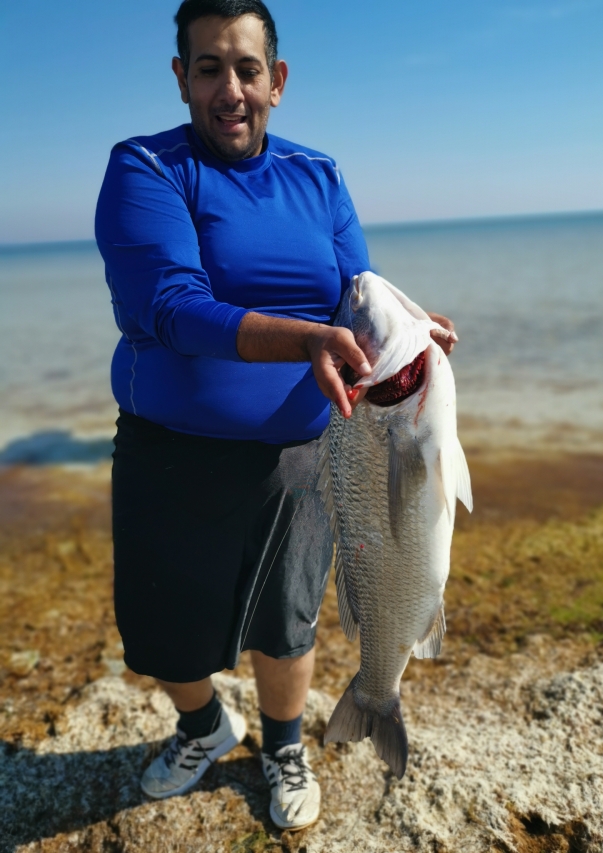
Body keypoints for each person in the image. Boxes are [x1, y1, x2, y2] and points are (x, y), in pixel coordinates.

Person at [95, 0, 456, 832]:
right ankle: (202, 726)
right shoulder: (146, 167)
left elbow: (355, 294)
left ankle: (284, 743)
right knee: (161, 629)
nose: (231, 87)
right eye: (210, 67)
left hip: (306, 447)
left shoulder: (318, 175)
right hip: (171, 449)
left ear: (277, 81)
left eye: (247, 68)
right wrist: (306, 338)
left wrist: (409, 326)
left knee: (287, 618)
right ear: (182, 77)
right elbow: (171, 307)